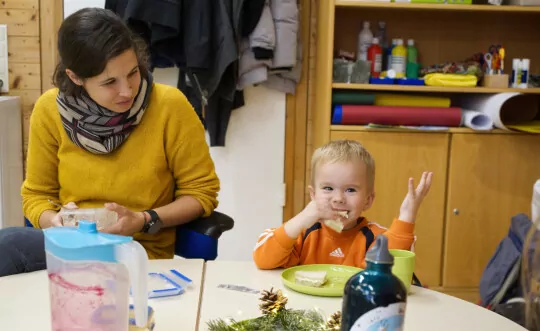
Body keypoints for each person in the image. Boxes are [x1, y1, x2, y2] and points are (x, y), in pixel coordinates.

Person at [0, 8, 219, 276]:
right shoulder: (49, 110)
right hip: (71, 250)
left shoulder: (169, 107)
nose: (127, 91)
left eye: (133, 73)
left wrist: (142, 220)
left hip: (138, 253)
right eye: (110, 82)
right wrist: (54, 221)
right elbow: (36, 196)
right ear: (75, 77)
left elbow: (201, 194)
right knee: (6, 245)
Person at [253, 139, 433, 269]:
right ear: (313, 195)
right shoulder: (302, 233)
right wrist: (300, 220)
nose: (338, 198)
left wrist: (407, 216)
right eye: (328, 188)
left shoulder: (375, 238)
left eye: (350, 190)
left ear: (368, 200)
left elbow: (391, 271)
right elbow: (263, 259)